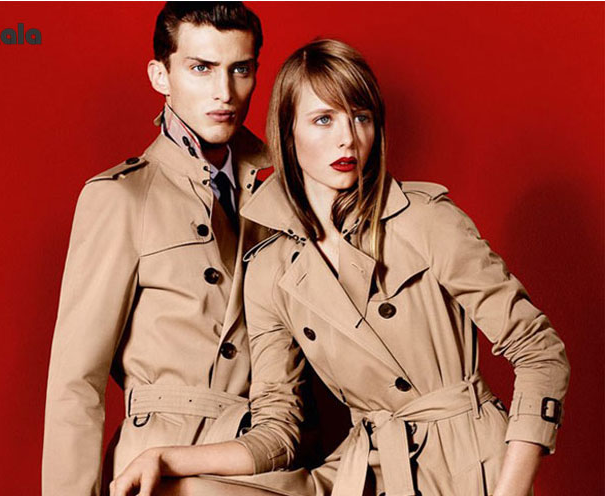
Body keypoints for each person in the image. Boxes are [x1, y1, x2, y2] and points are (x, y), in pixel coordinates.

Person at [111, 39, 570, 496]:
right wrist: (165, 457)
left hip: (468, 464)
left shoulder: (424, 220)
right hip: (369, 468)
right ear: (288, 134)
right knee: (180, 491)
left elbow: (541, 353)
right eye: (324, 119)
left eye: (361, 117)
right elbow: (277, 428)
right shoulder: (270, 269)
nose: (348, 137)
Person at [42, 3, 311, 496]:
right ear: (160, 76)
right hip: (160, 474)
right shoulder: (123, 197)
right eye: (201, 68)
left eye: (240, 70)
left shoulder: (289, 192)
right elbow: (75, 382)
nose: (224, 92)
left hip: (269, 468)